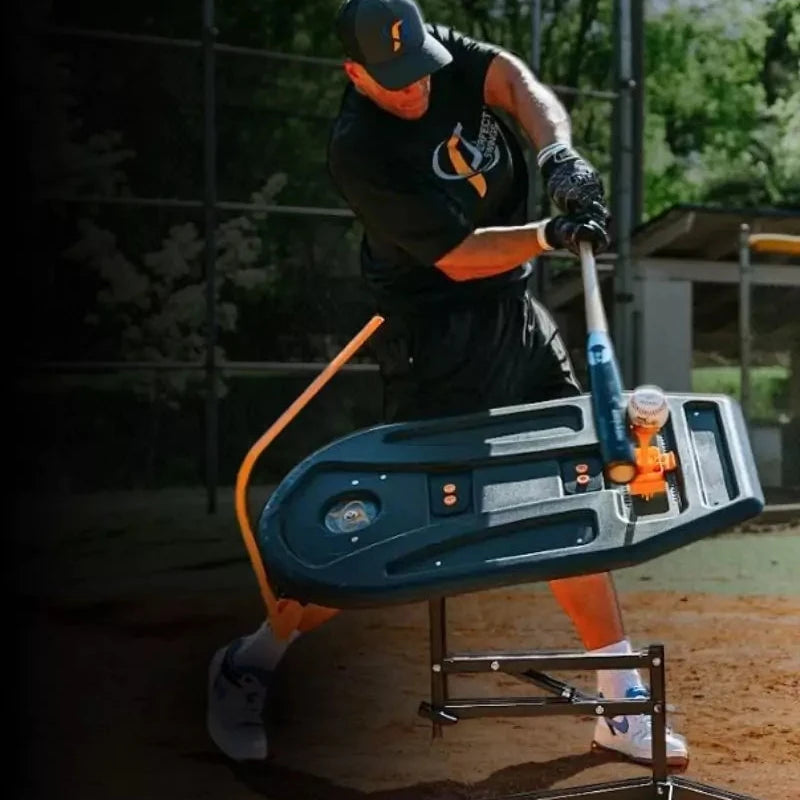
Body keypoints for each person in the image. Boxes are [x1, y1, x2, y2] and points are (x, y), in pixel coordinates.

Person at [207, 0, 689, 769]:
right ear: (353, 74)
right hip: (435, 341)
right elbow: (461, 254)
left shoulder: (439, 56)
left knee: (576, 493)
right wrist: (548, 234)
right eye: (394, 82)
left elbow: (515, 82)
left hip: (514, 317)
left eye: (421, 71)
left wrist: (558, 154)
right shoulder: (358, 148)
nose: (416, 91)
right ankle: (250, 662)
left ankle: (621, 702)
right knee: (401, 536)